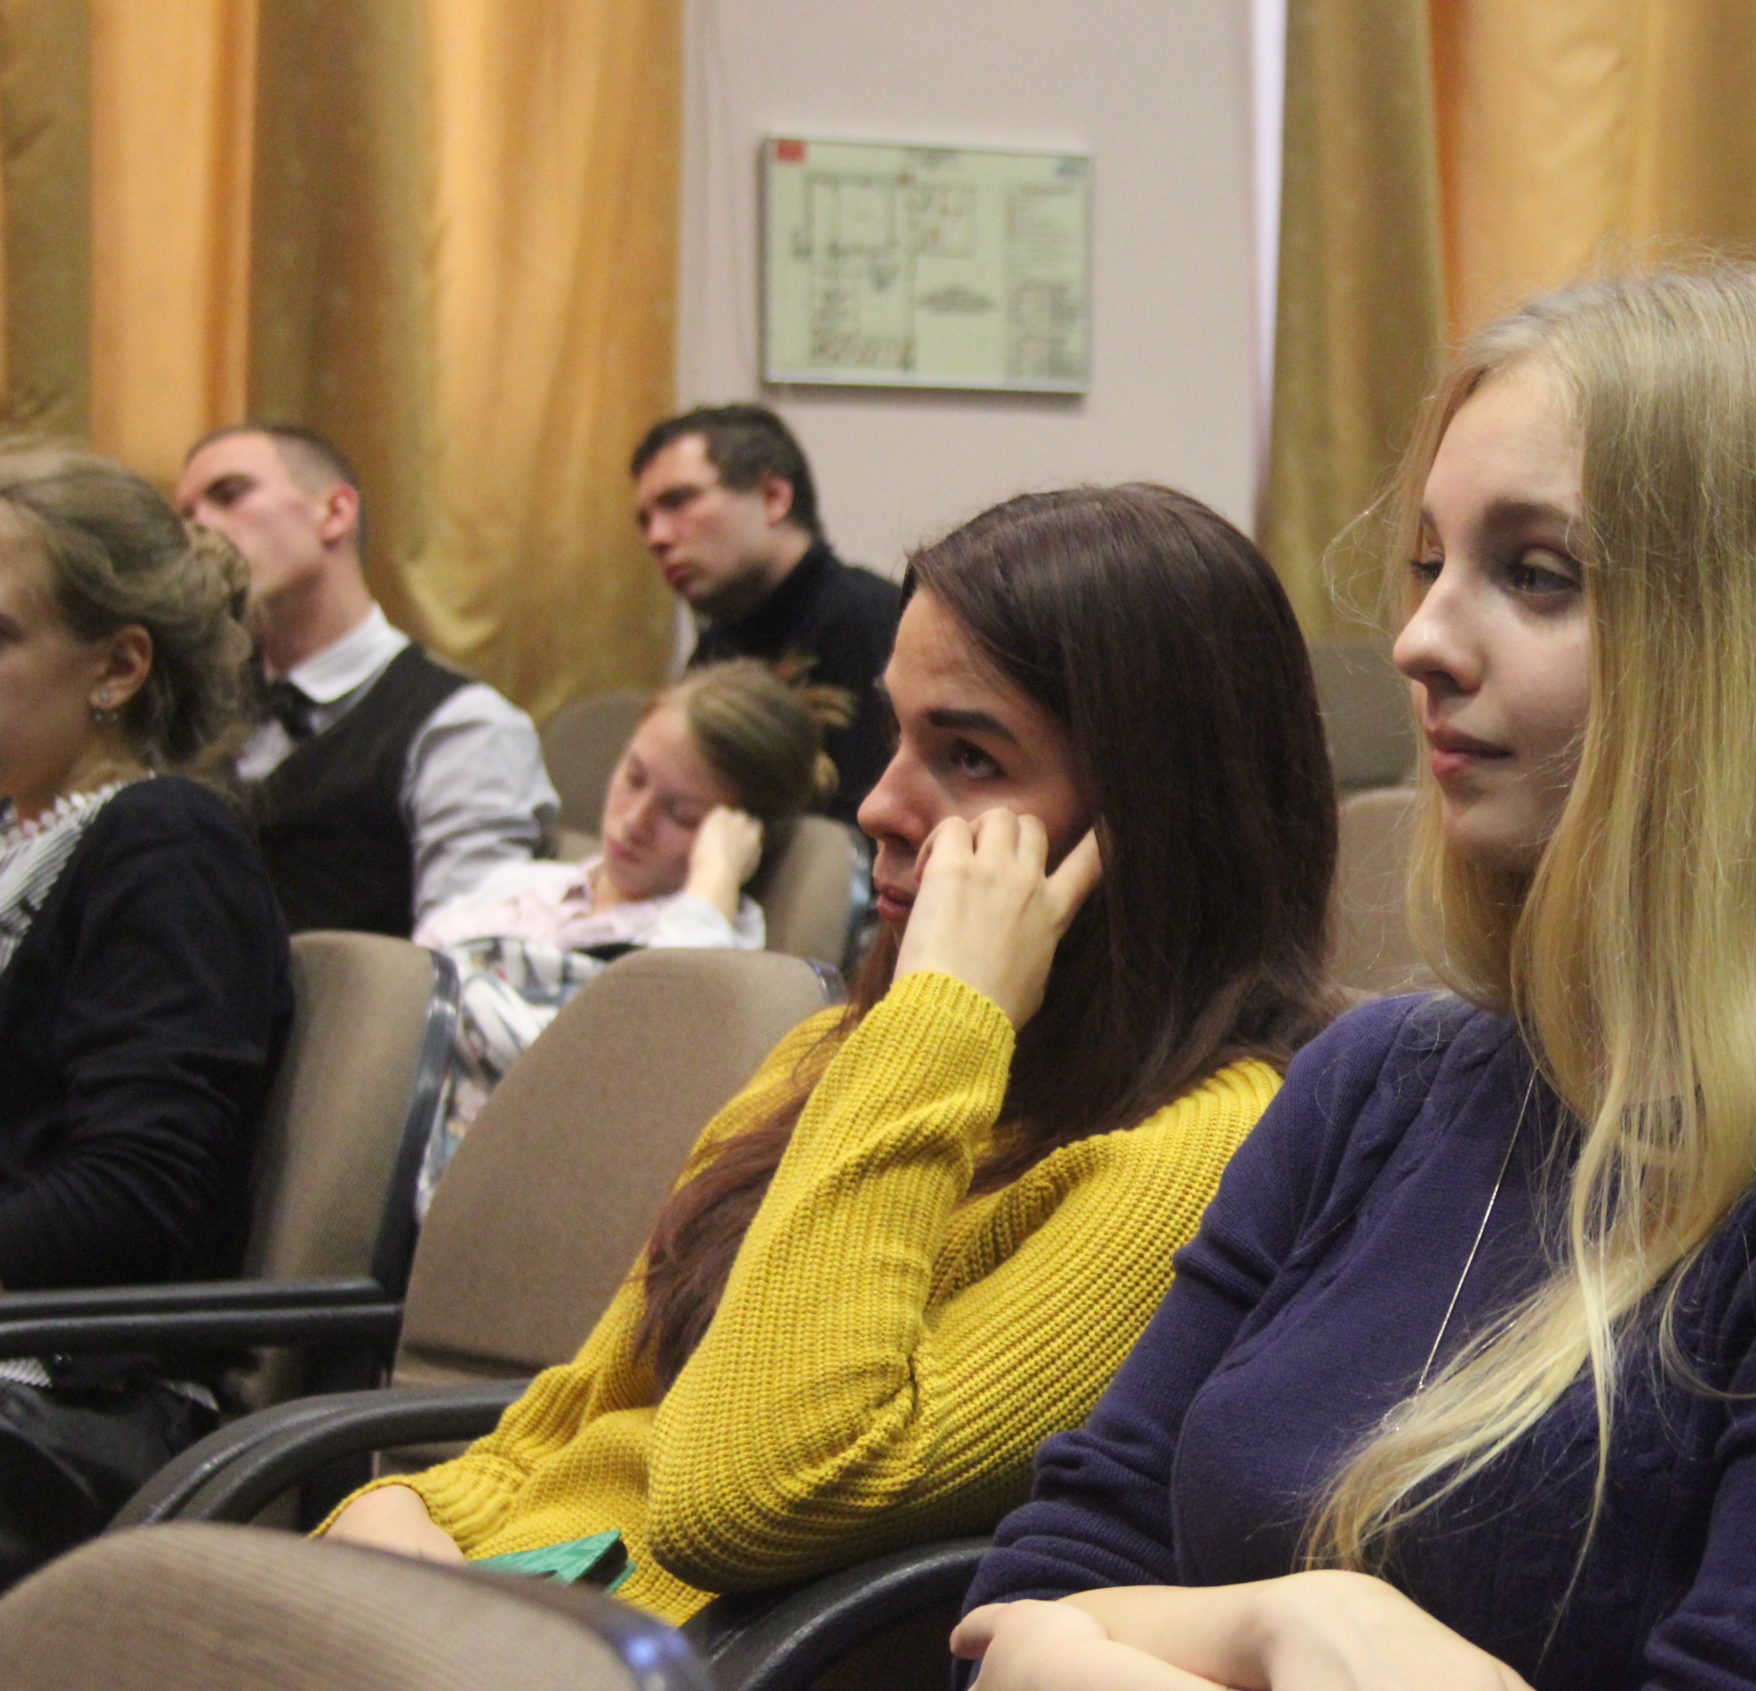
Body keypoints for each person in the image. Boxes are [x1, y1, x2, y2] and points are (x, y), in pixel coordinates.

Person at [953, 269, 1756, 1691]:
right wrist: (1294, 1630)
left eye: (1536, 573)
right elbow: (1023, 1599)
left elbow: (1052, 1643)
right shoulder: (1370, 1082)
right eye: (1429, 562)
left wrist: (1103, 1657)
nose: (1419, 639)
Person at [316, 484, 1341, 1624]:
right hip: (493, 1616)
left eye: (969, 757)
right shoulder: (834, 1050)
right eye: (896, 737)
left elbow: (751, 1494)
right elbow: (575, 1421)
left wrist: (946, 1016)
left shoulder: (1198, 1155)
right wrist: (402, 1513)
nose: (878, 805)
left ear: (1152, 820)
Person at [0, 442, 292, 1579]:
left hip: (84, 1400)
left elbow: (134, 1194)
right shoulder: (20, 837)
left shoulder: (165, 839)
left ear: (118, 667)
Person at [409, 661, 843, 1207]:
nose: (634, 821)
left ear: (737, 835)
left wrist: (713, 884)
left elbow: (634, 1050)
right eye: (634, 777)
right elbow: (407, 996)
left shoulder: (710, 948)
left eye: (681, 814)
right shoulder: (522, 884)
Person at [173, 424, 557, 934]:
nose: (199, 529)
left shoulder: (462, 725)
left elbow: (470, 956)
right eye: (186, 516)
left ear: (334, 513)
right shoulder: (197, 714)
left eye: (229, 494)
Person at [631, 404, 901, 821]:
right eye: (645, 521)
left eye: (678, 501)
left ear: (773, 497)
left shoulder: (874, 623)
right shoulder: (718, 646)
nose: (656, 537)